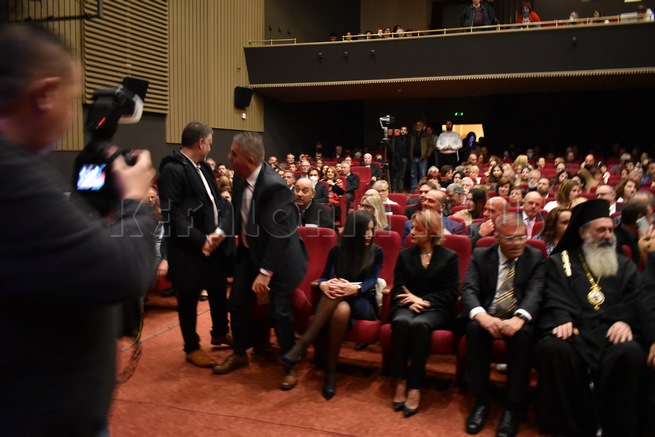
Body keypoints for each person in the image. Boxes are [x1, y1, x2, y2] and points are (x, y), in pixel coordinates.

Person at [0, 24, 156, 435]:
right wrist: (135, 199)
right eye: (73, 101)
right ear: (46, 94)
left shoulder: (22, 167)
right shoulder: (11, 176)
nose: (77, 116)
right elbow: (121, 271)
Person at [536, 199, 645, 436]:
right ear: (583, 233)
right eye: (601, 230)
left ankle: (617, 427)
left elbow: (637, 297)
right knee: (553, 348)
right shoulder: (560, 262)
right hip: (575, 328)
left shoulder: (624, 264)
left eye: (610, 230)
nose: (608, 235)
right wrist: (562, 317)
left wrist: (625, 321)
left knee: (630, 351)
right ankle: (568, 427)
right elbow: (552, 295)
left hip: (612, 330)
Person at [214, 132, 308, 393]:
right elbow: (234, 212)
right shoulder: (240, 177)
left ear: (250, 159)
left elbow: (281, 235)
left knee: (280, 311)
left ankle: (289, 363)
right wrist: (220, 233)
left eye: (234, 154)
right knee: (236, 303)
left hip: (279, 260)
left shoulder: (275, 186)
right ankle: (240, 353)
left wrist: (266, 272)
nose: (228, 157)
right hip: (249, 254)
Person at [280, 210, 383, 399]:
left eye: (371, 229)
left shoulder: (376, 251)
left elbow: (371, 281)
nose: (369, 234)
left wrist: (353, 289)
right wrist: (325, 285)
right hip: (340, 299)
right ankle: (331, 371)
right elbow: (325, 277)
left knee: (338, 295)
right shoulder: (337, 250)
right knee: (340, 310)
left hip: (363, 302)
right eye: (365, 230)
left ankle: (302, 344)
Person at [158, 122, 235, 367]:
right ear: (201, 143)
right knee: (189, 297)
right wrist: (201, 240)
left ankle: (220, 332)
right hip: (188, 246)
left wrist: (219, 233)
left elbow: (217, 201)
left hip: (212, 242)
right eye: (210, 143)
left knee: (217, 287)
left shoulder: (203, 167)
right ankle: (191, 347)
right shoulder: (172, 169)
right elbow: (173, 214)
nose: (211, 147)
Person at [461, 213, 545, 437]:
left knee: (524, 335)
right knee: (474, 329)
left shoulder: (534, 256)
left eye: (521, 237)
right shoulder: (481, 255)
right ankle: (480, 400)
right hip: (488, 314)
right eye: (510, 238)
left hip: (518, 317)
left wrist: (520, 317)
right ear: (497, 238)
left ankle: (512, 407)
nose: (517, 243)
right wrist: (482, 316)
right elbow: (468, 289)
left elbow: (536, 291)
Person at [390, 210, 460, 417]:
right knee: (401, 321)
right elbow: (397, 287)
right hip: (406, 305)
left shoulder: (449, 257)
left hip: (436, 308)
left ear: (431, 232)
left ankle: (415, 385)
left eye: (418, 229)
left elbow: (451, 292)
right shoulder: (405, 255)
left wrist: (424, 301)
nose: (412, 232)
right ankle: (400, 380)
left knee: (420, 325)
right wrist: (410, 301)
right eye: (412, 227)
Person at [409, 120, 435, 192]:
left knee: (422, 175)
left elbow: (431, 146)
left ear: (423, 126)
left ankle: (422, 189)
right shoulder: (412, 135)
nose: (418, 127)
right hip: (413, 157)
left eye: (420, 125)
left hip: (423, 158)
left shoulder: (427, 135)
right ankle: (413, 189)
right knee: (413, 175)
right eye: (417, 125)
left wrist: (427, 154)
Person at [391, 125, 409, 193]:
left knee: (402, 175)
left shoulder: (408, 139)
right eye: (402, 130)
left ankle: (401, 189)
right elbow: (393, 149)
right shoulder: (396, 138)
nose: (403, 131)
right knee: (396, 175)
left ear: (406, 132)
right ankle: (394, 189)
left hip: (405, 158)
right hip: (397, 158)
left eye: (404, 130)